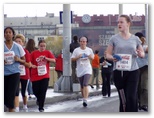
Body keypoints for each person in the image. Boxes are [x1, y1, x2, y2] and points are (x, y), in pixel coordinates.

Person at [106, 15, 145, 112]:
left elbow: (142, 53)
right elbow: (108, 54)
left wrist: (141, 53)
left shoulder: (135, 39)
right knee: (124, 99)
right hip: (119, 72)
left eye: (121, 22)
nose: (119, 24)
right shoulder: (114, 39)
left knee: (131, 96)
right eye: (118, 22)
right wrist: (112, 57)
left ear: (128, 24)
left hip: (133, 71)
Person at [4, 27, 25, 112]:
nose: (8, 34)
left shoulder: (18, 46)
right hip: (4, 73)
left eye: (10, 32)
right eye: (6, 32)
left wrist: (18, 59)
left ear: (13, 34)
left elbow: (24, 60)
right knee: (4, 95)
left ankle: (11, 110)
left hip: (14, 73)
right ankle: (10, 107)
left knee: (11, 94)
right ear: (4, 35)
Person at [30, 39, 55, 112]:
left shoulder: (47, 53)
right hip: (35, 75)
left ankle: (41, 107)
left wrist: (46, 58)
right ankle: (38, 99)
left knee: (43, 91)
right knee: (35, 91)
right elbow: (29, 62)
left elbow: (54, 60)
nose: (42, 47)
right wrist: (32, 65)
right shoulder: (34, 53)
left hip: (45, 75)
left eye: (44, 46)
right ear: (38, 46)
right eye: (41, 46)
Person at [71, 36, 94, 107]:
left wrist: (89, 56)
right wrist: (78, 57)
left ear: (86, 42)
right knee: (82, 86)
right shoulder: (76, 50)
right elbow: (72, 59)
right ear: (79, 42)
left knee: (85, 84)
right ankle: (84, 97)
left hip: (87, 69)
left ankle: (85, 99)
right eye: (81, 41)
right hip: (80, 69)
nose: (82, 43)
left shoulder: (89, 50)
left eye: (84, 41)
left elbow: (92, 58)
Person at [14, 34, 31, 112]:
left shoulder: (25, 52)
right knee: (15, 91)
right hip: (14, 74)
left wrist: (20, 61)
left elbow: (29, 65)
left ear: (23, 43)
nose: (17, 43)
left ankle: (25, 106)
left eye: (19, 41)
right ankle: (16, 108)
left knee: (23, 91)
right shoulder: (12, 51)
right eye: (16, 41)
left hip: (24, 74)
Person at [135, 32, 148, 111]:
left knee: (144, 86)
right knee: (137, 87)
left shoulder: (145, 47)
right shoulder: (132, 47)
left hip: (145, 68)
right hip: (135, 68)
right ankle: (138, 102)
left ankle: (144, 104)